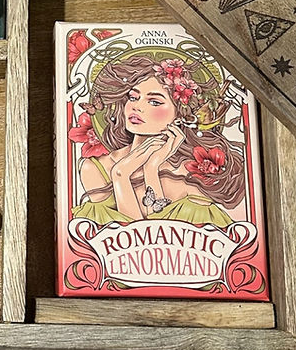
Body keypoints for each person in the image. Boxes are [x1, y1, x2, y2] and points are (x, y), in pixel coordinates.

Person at [69, 54, 246, 227]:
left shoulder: (192, 176)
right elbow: (125, 239)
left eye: (154, 102)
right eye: (133, 97)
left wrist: (151, 169)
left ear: (181, 113)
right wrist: (120, 174)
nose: (137, 106)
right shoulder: (95, 169)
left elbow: (156, 237)